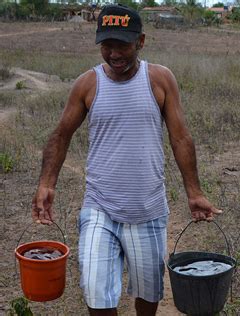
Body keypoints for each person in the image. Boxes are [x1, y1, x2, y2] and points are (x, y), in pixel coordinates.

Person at [31, 4, 222, 315]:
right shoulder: (88, 84)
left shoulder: (160, 80)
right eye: (107, 45)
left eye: (123, 45)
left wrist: (195, 192)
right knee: (96, 293)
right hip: (100, 208)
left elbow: (180, 138)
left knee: (148, 294)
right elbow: (60, 135)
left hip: (148, 210)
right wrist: (46, 183)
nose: (114, 53)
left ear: (141, 42)